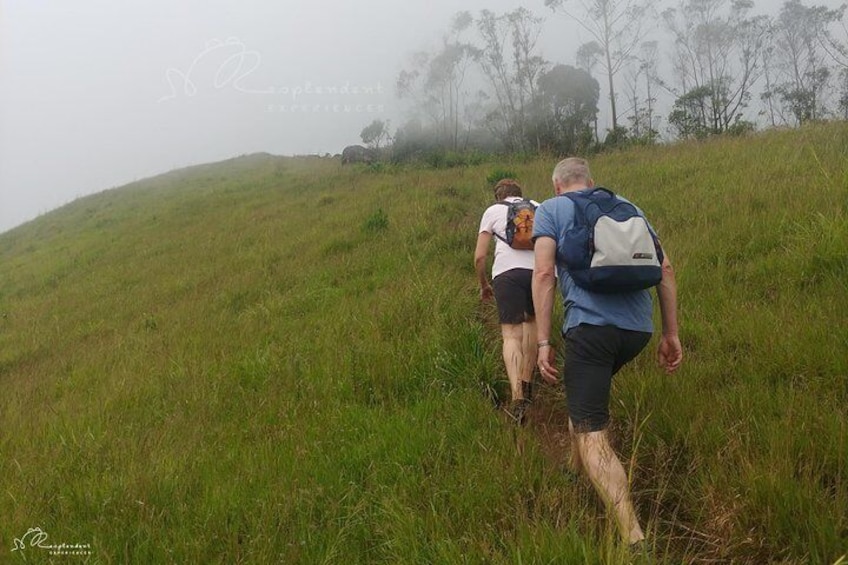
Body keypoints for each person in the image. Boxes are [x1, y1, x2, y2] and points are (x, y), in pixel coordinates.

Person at [531, 157, 683, 546]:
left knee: (592, 433)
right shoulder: (629, 207)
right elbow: (665, 270)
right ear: (592, 182)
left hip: (590, 332)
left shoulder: (551, 209)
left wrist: (544, 341)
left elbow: (545, 274)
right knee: (584, 397)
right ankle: (571, 466)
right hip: (637, 332)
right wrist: (671, 333)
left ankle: (634, 540)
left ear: (556, 185)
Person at [474, 179, 538, 424]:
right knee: (531, 324)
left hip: (506, 275)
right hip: (538, 273)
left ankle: (517, 396)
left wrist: (484, 285)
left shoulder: (493, 211)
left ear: (498, 196)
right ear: (519, 195)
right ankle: (528, 381)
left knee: (511, 335)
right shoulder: (538, 207)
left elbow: (480, 257)